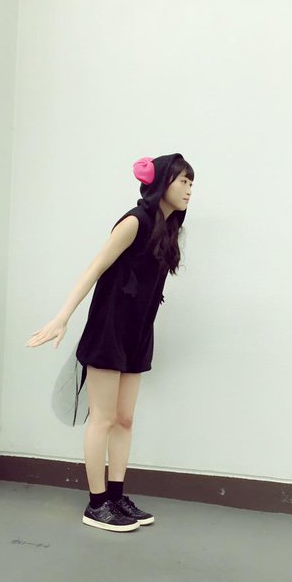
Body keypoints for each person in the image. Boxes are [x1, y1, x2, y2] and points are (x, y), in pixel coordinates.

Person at [25, 153, 194, 533]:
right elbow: (96, 266)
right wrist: (62, 317)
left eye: (191, 183)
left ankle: (116, 496)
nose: (188, 189)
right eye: (183, 180)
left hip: (138, 332)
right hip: (109, 329)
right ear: (162, 182)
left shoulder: (168, 229)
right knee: (102, 418)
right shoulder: (135, 221)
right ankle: (96, 503)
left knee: (124, 419)